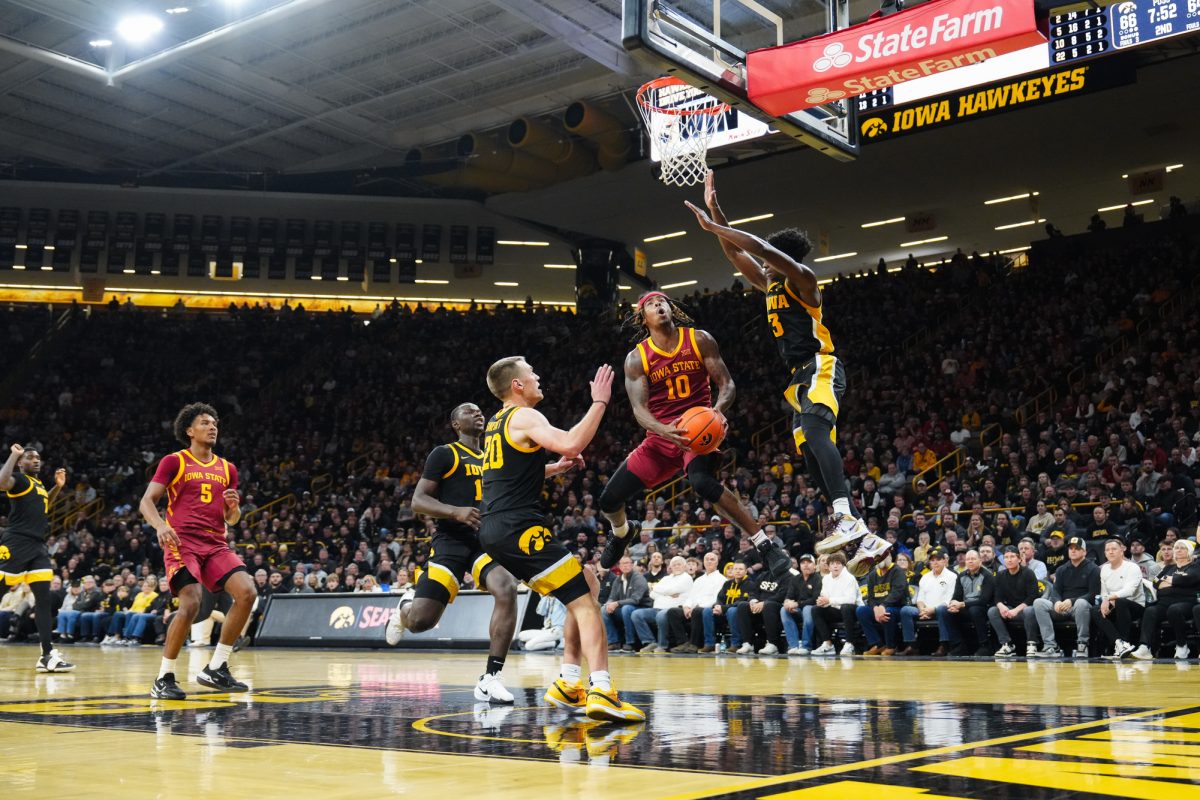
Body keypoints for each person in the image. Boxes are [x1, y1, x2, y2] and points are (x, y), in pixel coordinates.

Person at [689, 176, 883, 573]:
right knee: (809, 451)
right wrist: (715, 212)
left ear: (781, 258)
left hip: (820, 366)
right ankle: (864, 537)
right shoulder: (769, 284)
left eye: (768, 259)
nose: (760, 265)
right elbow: (735, 253)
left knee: (815, 435)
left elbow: (757, 247)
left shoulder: (803, 281)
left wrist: (716, 226)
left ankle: (846, 516)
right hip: (798, 378)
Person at [479, 357, 643, 722]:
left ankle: (569, 682)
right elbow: (571, 442)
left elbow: (510, 473)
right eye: (532, 373)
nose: (538, 377)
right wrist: (600, 401)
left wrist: (553, 469)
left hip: (497, 529)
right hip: (517, 529)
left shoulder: (496, 423)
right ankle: (602, 689)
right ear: (517, 385)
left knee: (583, 583)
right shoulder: (524, 416)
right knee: (586, 604)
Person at [597, 291, 791, 580]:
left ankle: (765, 544)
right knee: (608, 501)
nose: (659, 305)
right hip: (661, 438)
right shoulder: (637, 358)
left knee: (702, 482)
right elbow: (639, 410)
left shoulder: (699, 339)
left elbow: (727, 385)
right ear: (643, 317)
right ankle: (623, 532)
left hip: (698, 432)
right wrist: (663, 430)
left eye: (663, 301)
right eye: (651, 304)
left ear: (671, 309)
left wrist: (718, 411)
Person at [384, 403, 520, 704]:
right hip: (450, 542)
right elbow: (418, 501)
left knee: (506, 587)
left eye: (479, 410)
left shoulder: (493, 457)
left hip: (484, 542)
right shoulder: (445, 453)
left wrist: (556, 469)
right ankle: (405, 607)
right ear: (455, 424)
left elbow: (520, 479)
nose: (477, 413)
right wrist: (454, 512)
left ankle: (490, 678)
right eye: (468, 411)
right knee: (421, 623)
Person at [140, 403, 256, 700]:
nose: (212, 426)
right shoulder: (174, 461)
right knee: (191, 603)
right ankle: (164, 677)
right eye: (205, 422)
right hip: (182, 541)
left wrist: (234, 508)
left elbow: (232, 519)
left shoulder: (227, 469)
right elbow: (146, 502)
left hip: (215, 543)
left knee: (247, 593)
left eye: (214, 422)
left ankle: (216, 667)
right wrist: (160, 526)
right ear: (189, 431)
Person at [0, 443, 72, 672]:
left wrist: (57, 487)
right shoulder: (19, 480)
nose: (36, 460)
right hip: (16, 542)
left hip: (38, 546)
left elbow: (43, 505)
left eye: (38, 457)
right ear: (21, 464)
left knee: (44, 601)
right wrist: (13, 455)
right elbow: (2, 483)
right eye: (30, 458)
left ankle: (47, 655)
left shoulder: (38, 484)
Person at [1030, 537, 1099, 659]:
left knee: (1081, 603)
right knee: (1039, 603)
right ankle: (1051, 646)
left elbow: (1093, 594)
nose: (1073, 551)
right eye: (1071, 548)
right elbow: (1056, 590)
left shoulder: (1093, 569)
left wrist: (1072, 601)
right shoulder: (1061, 569)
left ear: (1084, 551)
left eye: (1077, 548)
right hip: (1061, 607)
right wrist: (1056, 602)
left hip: (1080, 607)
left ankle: (1082, 644)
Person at [1133, 539, 1200, 660]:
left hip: (1186, 602)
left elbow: (1190, 579)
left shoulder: (1194, 566)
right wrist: (1174, 580)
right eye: (1176, 548)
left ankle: (1182, 645)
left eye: (1182, 548)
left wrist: (1171, 580)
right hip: (1164, 602)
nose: (1178, 550)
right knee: (1150, 611)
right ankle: (1144, 647)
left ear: (1189, 552)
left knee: (1174, 610)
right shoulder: (1169, 568)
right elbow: (1155, 582)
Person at [1090, 538, 1146, 660]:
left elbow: (1129, 591)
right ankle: (1119, 643)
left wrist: (1109, 598)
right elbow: (1104, 592)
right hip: (1114, 603)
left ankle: (1125, 641)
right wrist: (1105, 600)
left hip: (1136, 605)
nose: (1110, 552)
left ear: (1122, 551)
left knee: (1120, 602)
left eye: (1114, 549)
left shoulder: (1132, 567)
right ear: (1104, 553)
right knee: (1095, 610)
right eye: (1107, 550)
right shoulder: (1104, 569)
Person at [988, 546, 1040, 659]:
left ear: (1019, 559)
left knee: (1029, 610)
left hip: (1025, 609)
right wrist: (1002, 607)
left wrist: (1016, 610)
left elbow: (1032, 597)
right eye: (1006, 557)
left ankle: (1032, 644)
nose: (1009, 560)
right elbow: (997, 597)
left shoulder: (1028, 573)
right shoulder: (1001, 575)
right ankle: (1007, 644)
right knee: (993, 611)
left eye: (1012, 556)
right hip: (1010, 609)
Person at [904, 547, 957, 656]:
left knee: (942, 608)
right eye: (932, 560)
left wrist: (932, 610)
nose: (935, 562)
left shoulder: (952, 576)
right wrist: (922, 610)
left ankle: (944, 645)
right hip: (924, 610)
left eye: (938, 559)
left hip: (941, 610)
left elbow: (949, 599)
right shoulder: (925, 577)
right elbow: (920, 599)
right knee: (906, 610)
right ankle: (912, 646)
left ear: (944, 561)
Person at [856, 552, 909, 656]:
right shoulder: (873, 574)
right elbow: (870, 597)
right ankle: (877, 644)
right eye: (878, 558)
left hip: (897, 607)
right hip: (879, 608)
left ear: (890, 557)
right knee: (861, 611)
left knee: (887, 613)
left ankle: (891, 646)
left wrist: (883, 606)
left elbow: (897, 593)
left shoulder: (897, 571)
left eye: (884, 557)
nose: (881, 560)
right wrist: (875, 608)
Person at [810, 552, 861, 656]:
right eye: (832, 564)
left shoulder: (849, 578)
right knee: (815, 609)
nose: (835, 566)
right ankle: (827, 644)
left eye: (838, 563)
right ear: (828, 567)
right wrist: (822, 602)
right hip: (836, 610)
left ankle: (849, 644)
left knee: (845, 607)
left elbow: (850, 599)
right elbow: (825, 595)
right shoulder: (826, 579)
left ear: (843, 565)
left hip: (854, 611)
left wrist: (829, 600)